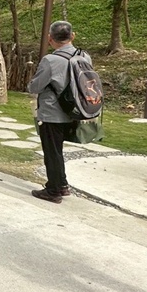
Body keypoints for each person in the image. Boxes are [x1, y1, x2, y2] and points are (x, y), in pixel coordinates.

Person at [27, 20, 90, 203]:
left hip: (52, 113)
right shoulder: (85, 56)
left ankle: (53, 190)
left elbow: (35, 86)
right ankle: (62, 185)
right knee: (58, 150)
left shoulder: (50, 60)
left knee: (52, 151)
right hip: (76, 111)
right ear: (73, 36)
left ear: (49, 39)